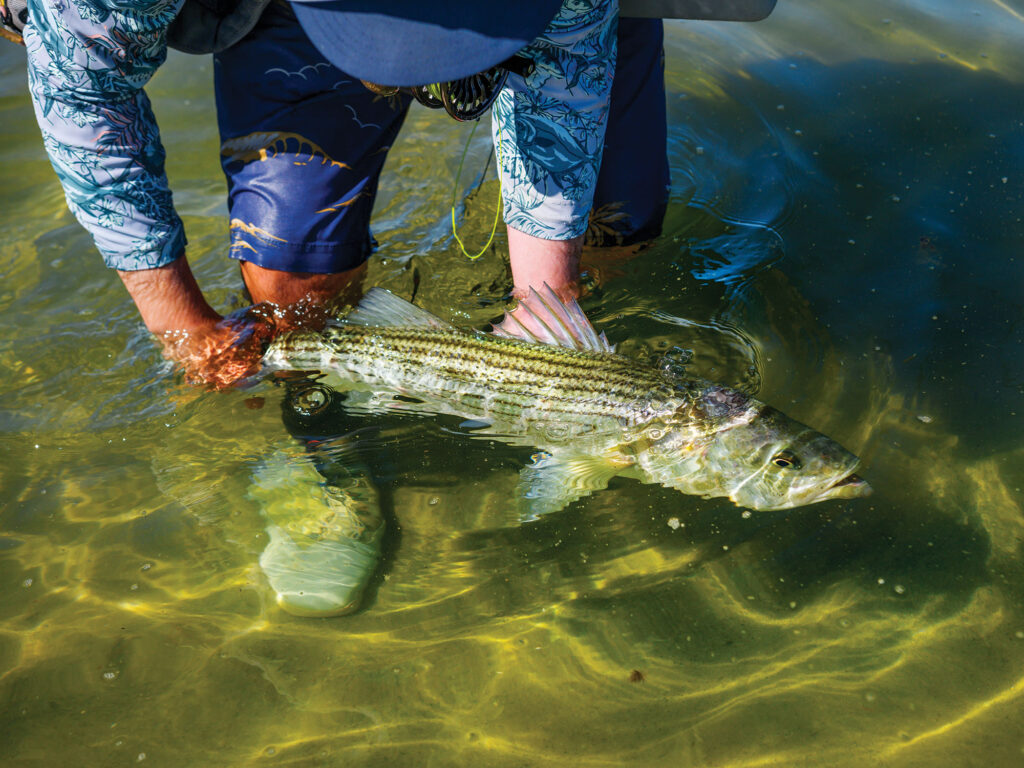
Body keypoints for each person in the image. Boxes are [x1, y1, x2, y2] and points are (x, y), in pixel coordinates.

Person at [13, 0, 670, 389]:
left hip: (544, 12)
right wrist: (180, 324)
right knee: (292, 285)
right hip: (306, 16)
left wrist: (546, 306)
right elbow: (84, 96)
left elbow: (566, 91)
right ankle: (320, 453)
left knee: (615, 231)